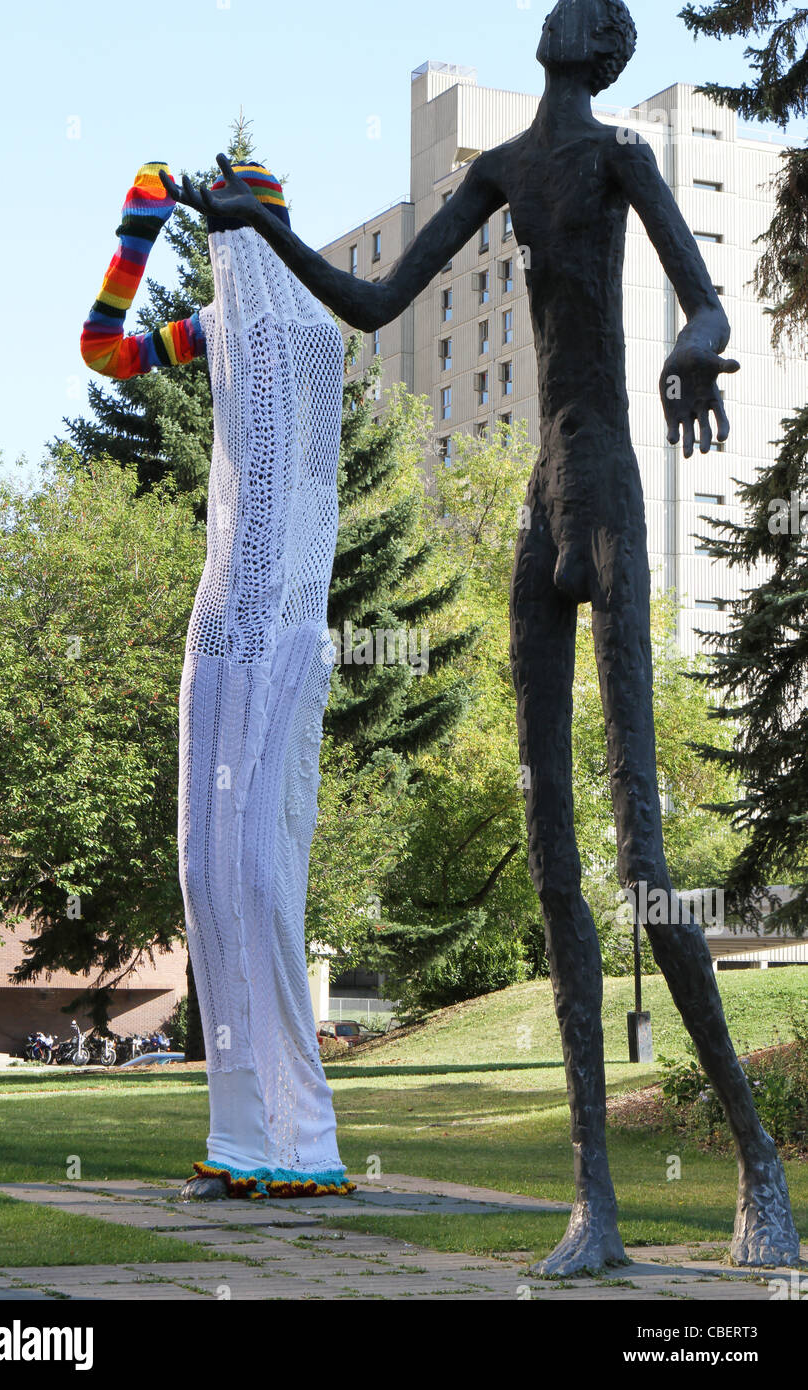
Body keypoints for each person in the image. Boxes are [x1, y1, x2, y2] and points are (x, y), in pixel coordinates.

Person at [161, 0, 800, 1271]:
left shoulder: (623, 156)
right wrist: (261, 226)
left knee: (639, 854)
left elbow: (707, 302)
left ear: (601, 50)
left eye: (593, 11)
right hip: (538, 506)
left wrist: (693, 353)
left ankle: (757, 1161)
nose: (569, 10)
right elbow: (374, 296)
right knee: (550, 855)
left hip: (609, 494)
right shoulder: (501, 170)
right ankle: (594, 1207)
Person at [82, 160, 354, 1200]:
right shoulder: (219, 327)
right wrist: (140, 219)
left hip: (281, 620)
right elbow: (103, 350)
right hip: (221, 614)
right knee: (206, 864)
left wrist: (198, 218)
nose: (228, 251)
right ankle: (244, 1135)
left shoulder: (311, 327)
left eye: (239, 229)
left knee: (259, 871)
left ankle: (302, 1138)